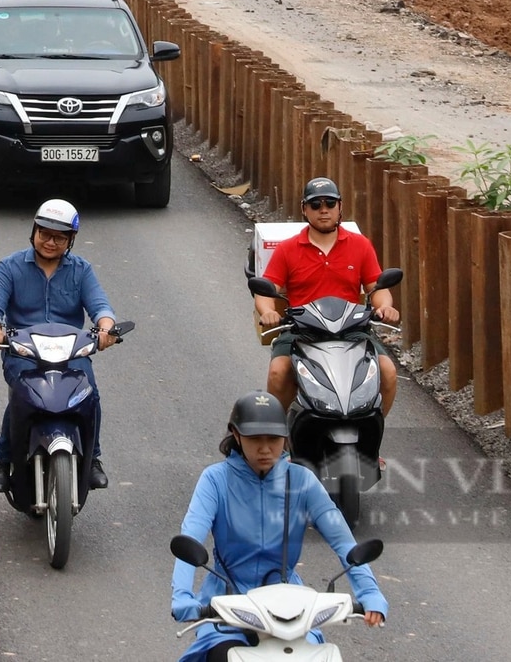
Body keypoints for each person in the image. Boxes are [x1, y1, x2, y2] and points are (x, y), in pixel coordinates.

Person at [171, 394, 389, 661]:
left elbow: (343, 540)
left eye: (273, 439)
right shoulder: (215, 480)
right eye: (255, 439)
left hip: (288, 606)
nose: (265, 449)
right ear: (236, 435)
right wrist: (182, 595)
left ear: (285, 438)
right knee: (220, 655)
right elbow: (190, 537)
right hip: (226, 606)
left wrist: (369, 592)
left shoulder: (302, 480)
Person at [0, 200, 118, 492]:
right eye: (44, 233)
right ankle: (3, 459)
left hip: (70, 353)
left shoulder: (81, 270)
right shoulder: (10, 266)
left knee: (89, 393)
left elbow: (101, 307)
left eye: (59, 237)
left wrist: (106, 329)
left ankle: (93, 457)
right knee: (23, 393)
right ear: (33, 232)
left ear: (71, 240)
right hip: (23, 351)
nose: (50, 242)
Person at [256, 178, 399, 417]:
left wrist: (385, 306)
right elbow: (265, 289)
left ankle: (370, 439)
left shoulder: (360, 245)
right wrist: (268, 311)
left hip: (352, 329)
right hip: (300, 330)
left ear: (340, 207)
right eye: (315, 204)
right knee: (278, 372)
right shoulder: (288, 249)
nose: (323, 209)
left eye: (330, 203)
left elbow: (377, 286)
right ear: (304, 209)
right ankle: (278, 438)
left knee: (387, 371)